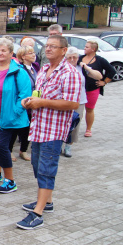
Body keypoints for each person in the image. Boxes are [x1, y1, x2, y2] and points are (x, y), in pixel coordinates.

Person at [17, 35, 81, 230]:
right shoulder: (44, 69)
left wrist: (42, 103)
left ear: (64, 50)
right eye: (47, 46)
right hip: (39, 127)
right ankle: (48, 201)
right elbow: (41, 95)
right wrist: (30, 100)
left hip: (54, 131)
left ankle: (38, 213)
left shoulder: (70, 73)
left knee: (46, 170)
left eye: (54, 47)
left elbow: (72, 103)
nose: (49, 49)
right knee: (37, 166)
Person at [0, 38, 31, 194]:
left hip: (6, 117)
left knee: (2, 147)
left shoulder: (18, 72)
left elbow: (25, 96)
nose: (0, 53)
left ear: (11, 53)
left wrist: (14, 113)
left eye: (3, 50)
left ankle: (10, 181)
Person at [66, 46, 101, 157]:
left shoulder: (81, 68)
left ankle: (69, 145)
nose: (72, 60)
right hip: (64, 100)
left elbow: (98, 76)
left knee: (75, 123)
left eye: (74, 57)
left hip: (79, 101)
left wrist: (87, 68)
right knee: (63, 123)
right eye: (69, 57)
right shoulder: (62, 68)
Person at [77, 40, 115, 138]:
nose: (84, 49)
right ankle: (75, 127)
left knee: (89, 109)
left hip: (92, 88)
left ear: (93, 49)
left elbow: (112, 71)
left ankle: (88, 129)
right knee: (77, 109)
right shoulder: (80, 58)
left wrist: (104, 82)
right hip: (80, 89)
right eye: (85, 47)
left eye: (87, 47)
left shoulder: (100, 60)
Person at [9, 45, 37, 161]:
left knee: (28, 128)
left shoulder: (34, 67)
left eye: (33, 52)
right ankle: (9, 151)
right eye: (30, 53)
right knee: (15, 129)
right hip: (22, 103)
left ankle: (23, 150)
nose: (33, 55)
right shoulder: (20, 69)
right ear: (23, 56)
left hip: (32, 103)